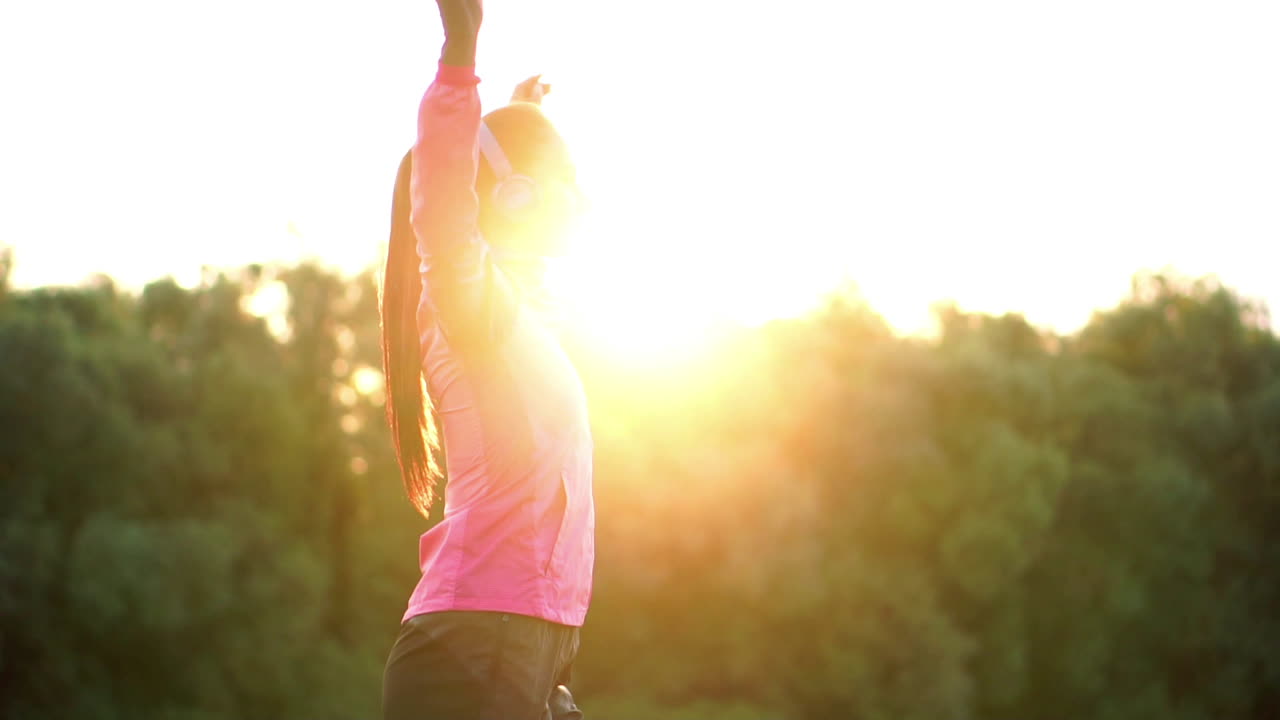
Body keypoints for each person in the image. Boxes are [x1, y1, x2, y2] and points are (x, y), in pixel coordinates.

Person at [378, 0, 593, 718]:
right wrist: (461, 57)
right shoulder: (471, 310)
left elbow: (515, 254)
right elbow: (443, 209)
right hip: (475, 647)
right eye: (569, 177)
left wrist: (514, 120)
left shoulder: (515, 314)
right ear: (518, 194)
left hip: (513, 649)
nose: (583, 199)